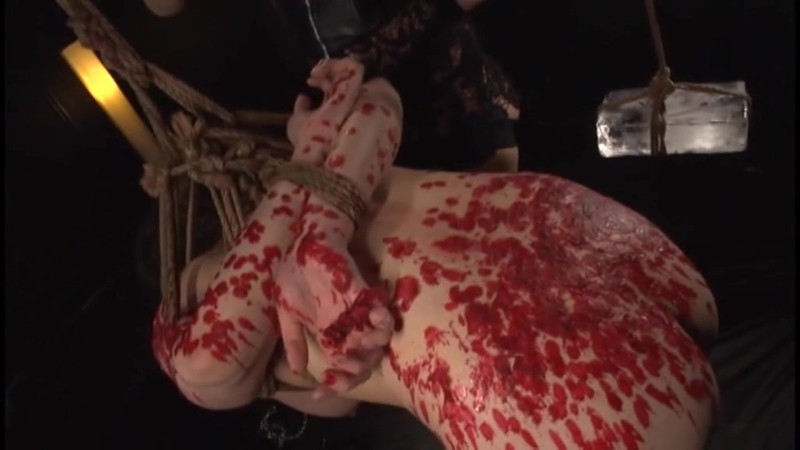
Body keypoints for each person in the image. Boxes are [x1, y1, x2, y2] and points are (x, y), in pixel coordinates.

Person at [152, 58, 719, 449]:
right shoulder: (335, 155)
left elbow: (207, 367)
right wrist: (314, 162)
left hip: (560, 403)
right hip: (616, 252)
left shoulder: (204, 284)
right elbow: (377, 96)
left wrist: (308, 198)